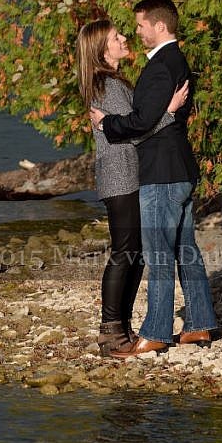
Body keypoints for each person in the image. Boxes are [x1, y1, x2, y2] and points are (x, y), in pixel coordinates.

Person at [90, 0, 218, 358]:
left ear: (159, 26)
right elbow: (148, 120)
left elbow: (140, 124)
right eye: (121, 34)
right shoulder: (168, 63)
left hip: (160, 172)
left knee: (158, 254)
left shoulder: (161, 66)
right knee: (184, 250)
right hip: (173, 169)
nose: (134, 33)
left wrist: (107, 123)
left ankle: (157, 332)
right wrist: (169, 112)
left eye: (139, 25)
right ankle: (199, 324)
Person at [77, 18, 187, 356]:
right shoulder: (107, 86)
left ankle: (121, 327)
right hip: (120, 176)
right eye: (115, 37)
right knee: (125, 251)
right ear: (102, 49)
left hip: (125, 175)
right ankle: (110, 331)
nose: (124, 38)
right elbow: (135, 130)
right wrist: (169, 111)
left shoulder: (111, 83)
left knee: (133, 252)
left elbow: (131, 127)